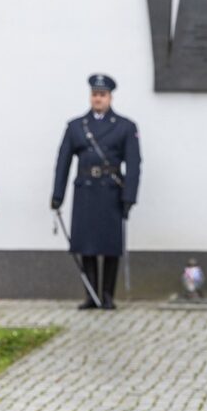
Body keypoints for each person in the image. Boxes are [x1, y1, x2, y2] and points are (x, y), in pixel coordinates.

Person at [51, 74, 141, 310]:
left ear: (110, 97)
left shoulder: (124, 126)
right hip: (86, 191)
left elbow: (133, 165)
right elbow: (63, 162)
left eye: (102, 95)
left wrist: (129, 197)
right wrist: (57, 195)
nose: (98, 99)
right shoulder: (76, 126)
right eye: (94, 95)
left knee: (110, 246)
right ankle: (91, 295)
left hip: (110, 192)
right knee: (87, 245)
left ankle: (108, 295)